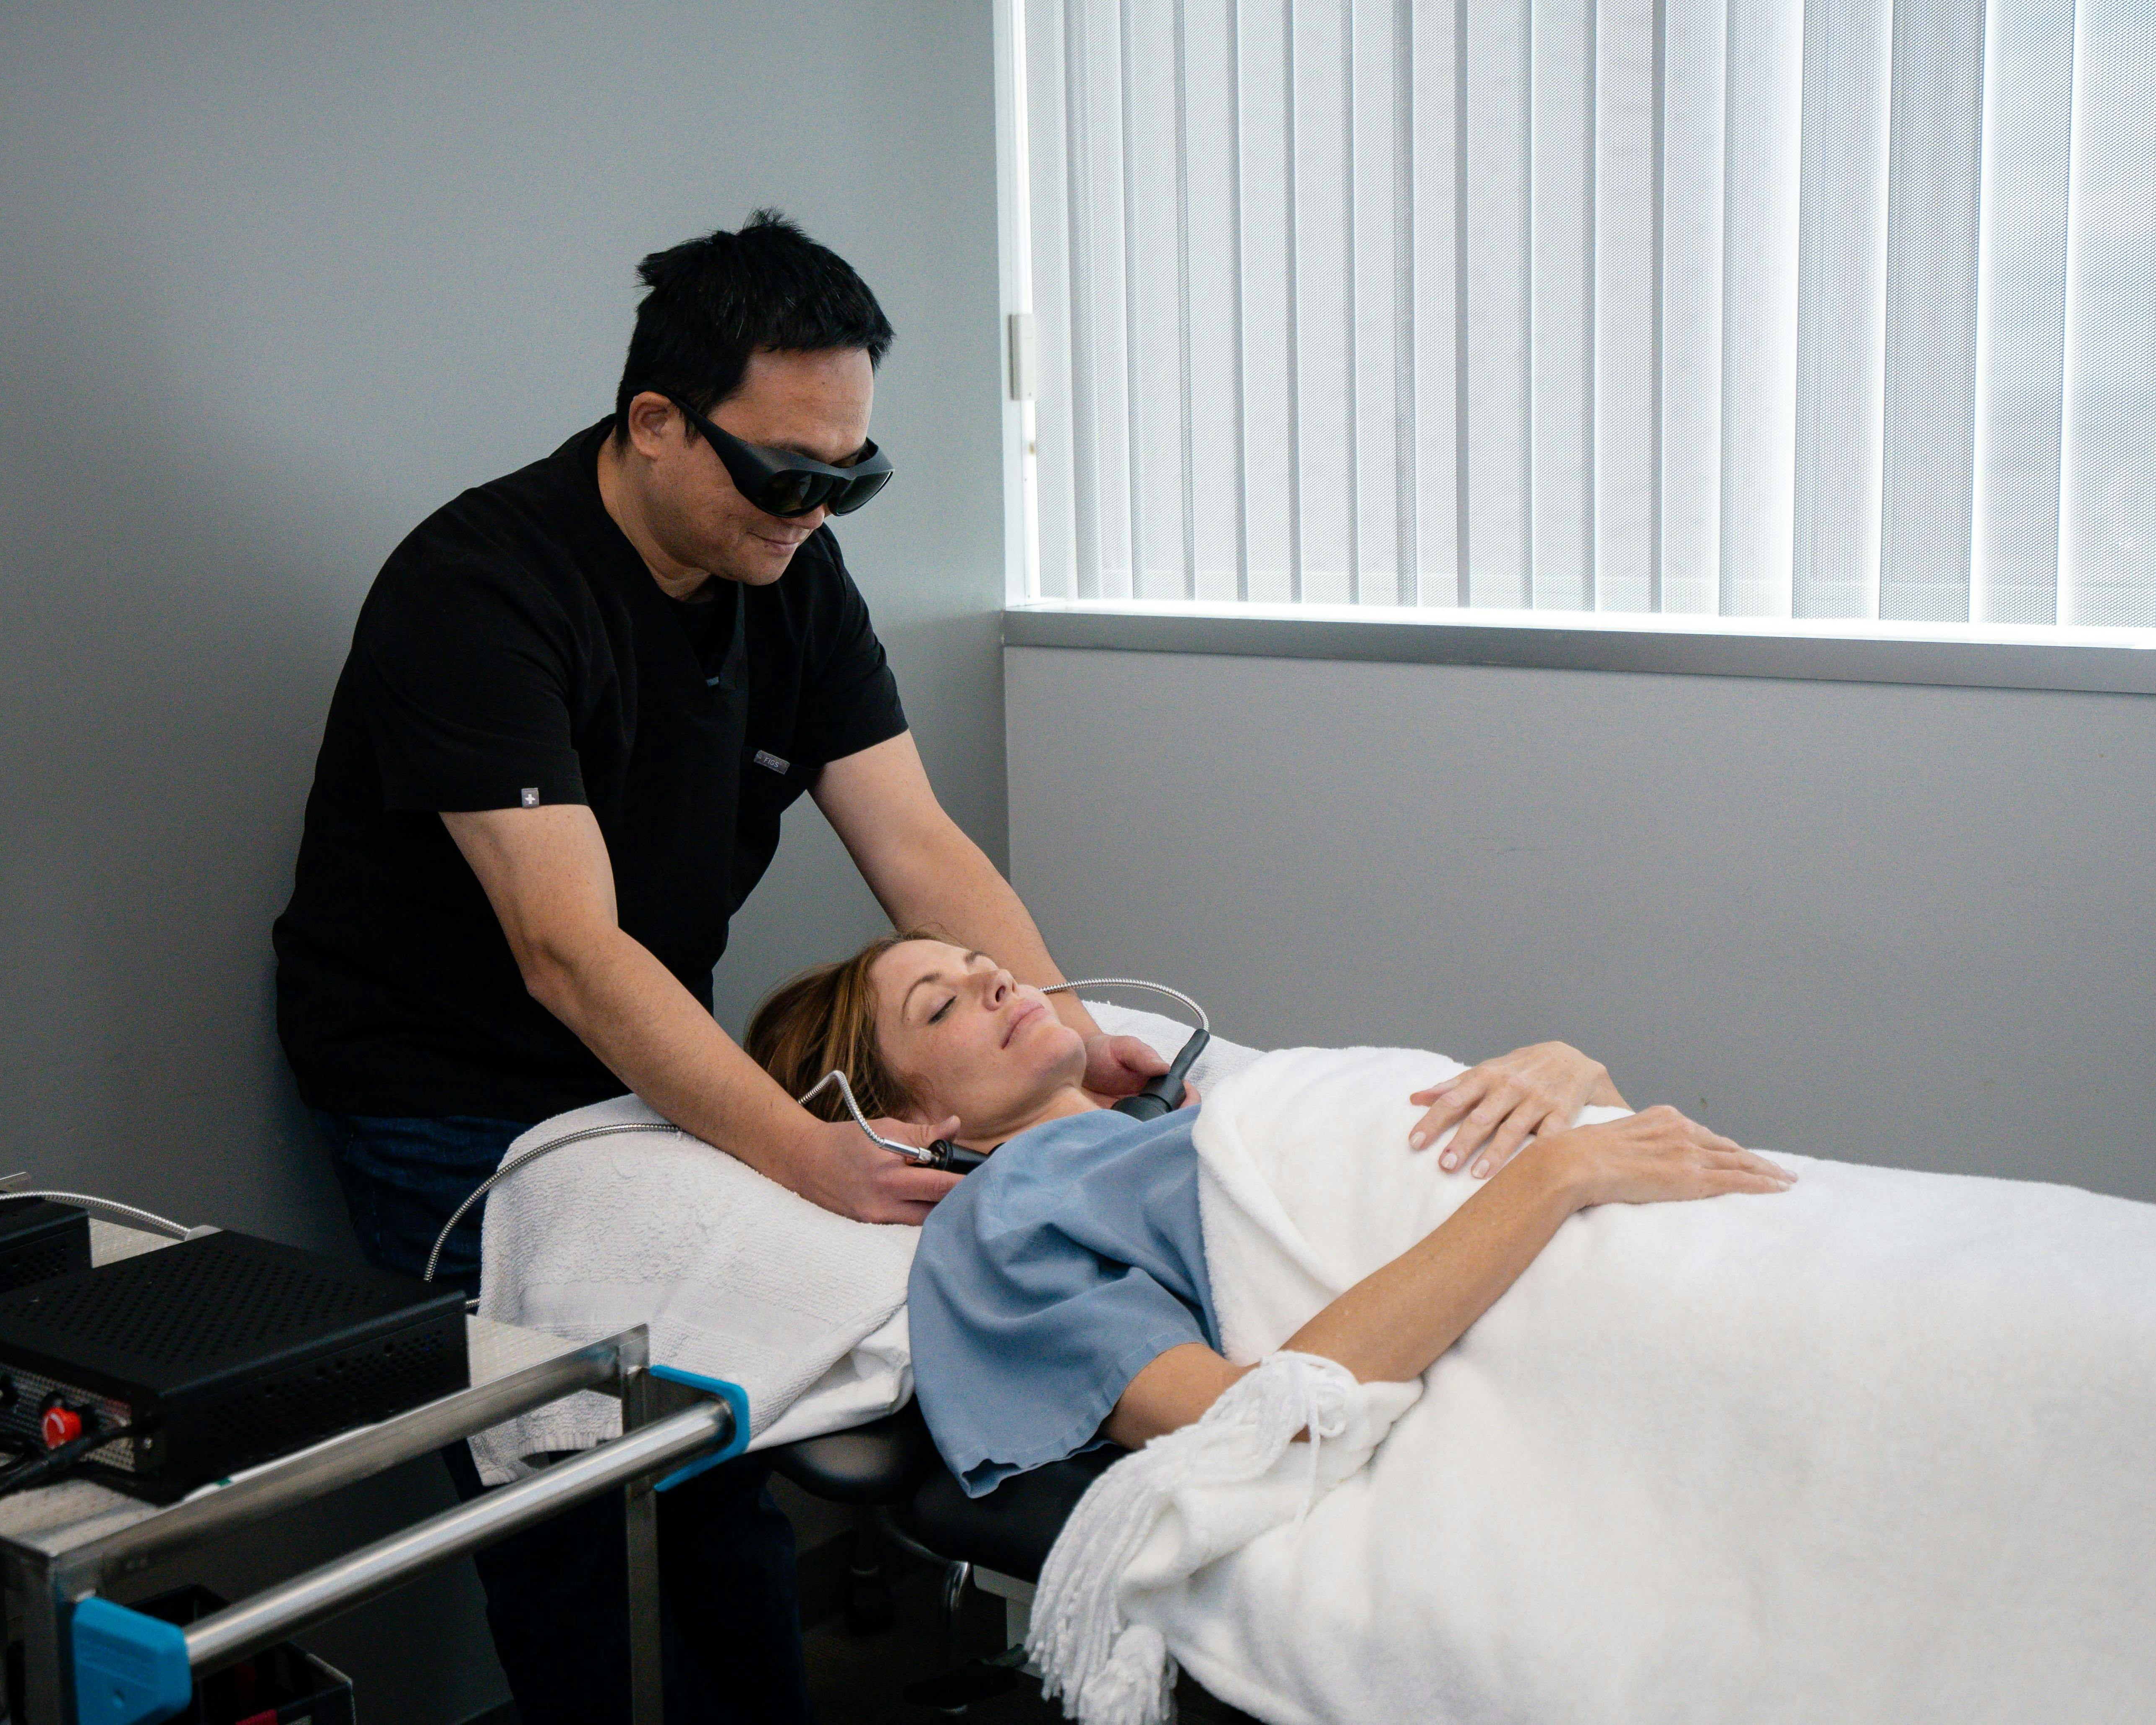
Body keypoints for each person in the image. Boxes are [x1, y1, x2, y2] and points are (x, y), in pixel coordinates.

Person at [271, 212, 1167, 1724]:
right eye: (783, 474)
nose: (814, 512)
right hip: (447, 1090)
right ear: (656, 423)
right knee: (572, 1496)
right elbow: (566, 949)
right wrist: (807, 1156)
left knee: (717, 1453)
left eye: (849, 478)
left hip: (650, 1055)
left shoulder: (787, 573)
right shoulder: (477, 592)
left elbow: (917, 842)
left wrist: (1070, 1040)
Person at [744, 933, 1794, 1493]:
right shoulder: (1006, 1223)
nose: (999, 986)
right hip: (1596, 1297)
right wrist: (1552, 1174)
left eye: (988, 971)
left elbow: (1585, 1163)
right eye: (941, 1005)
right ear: (898, 1120)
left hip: (1698, 1230)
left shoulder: (1210, 1115)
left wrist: (1570, 1076)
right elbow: (1247, 1422)